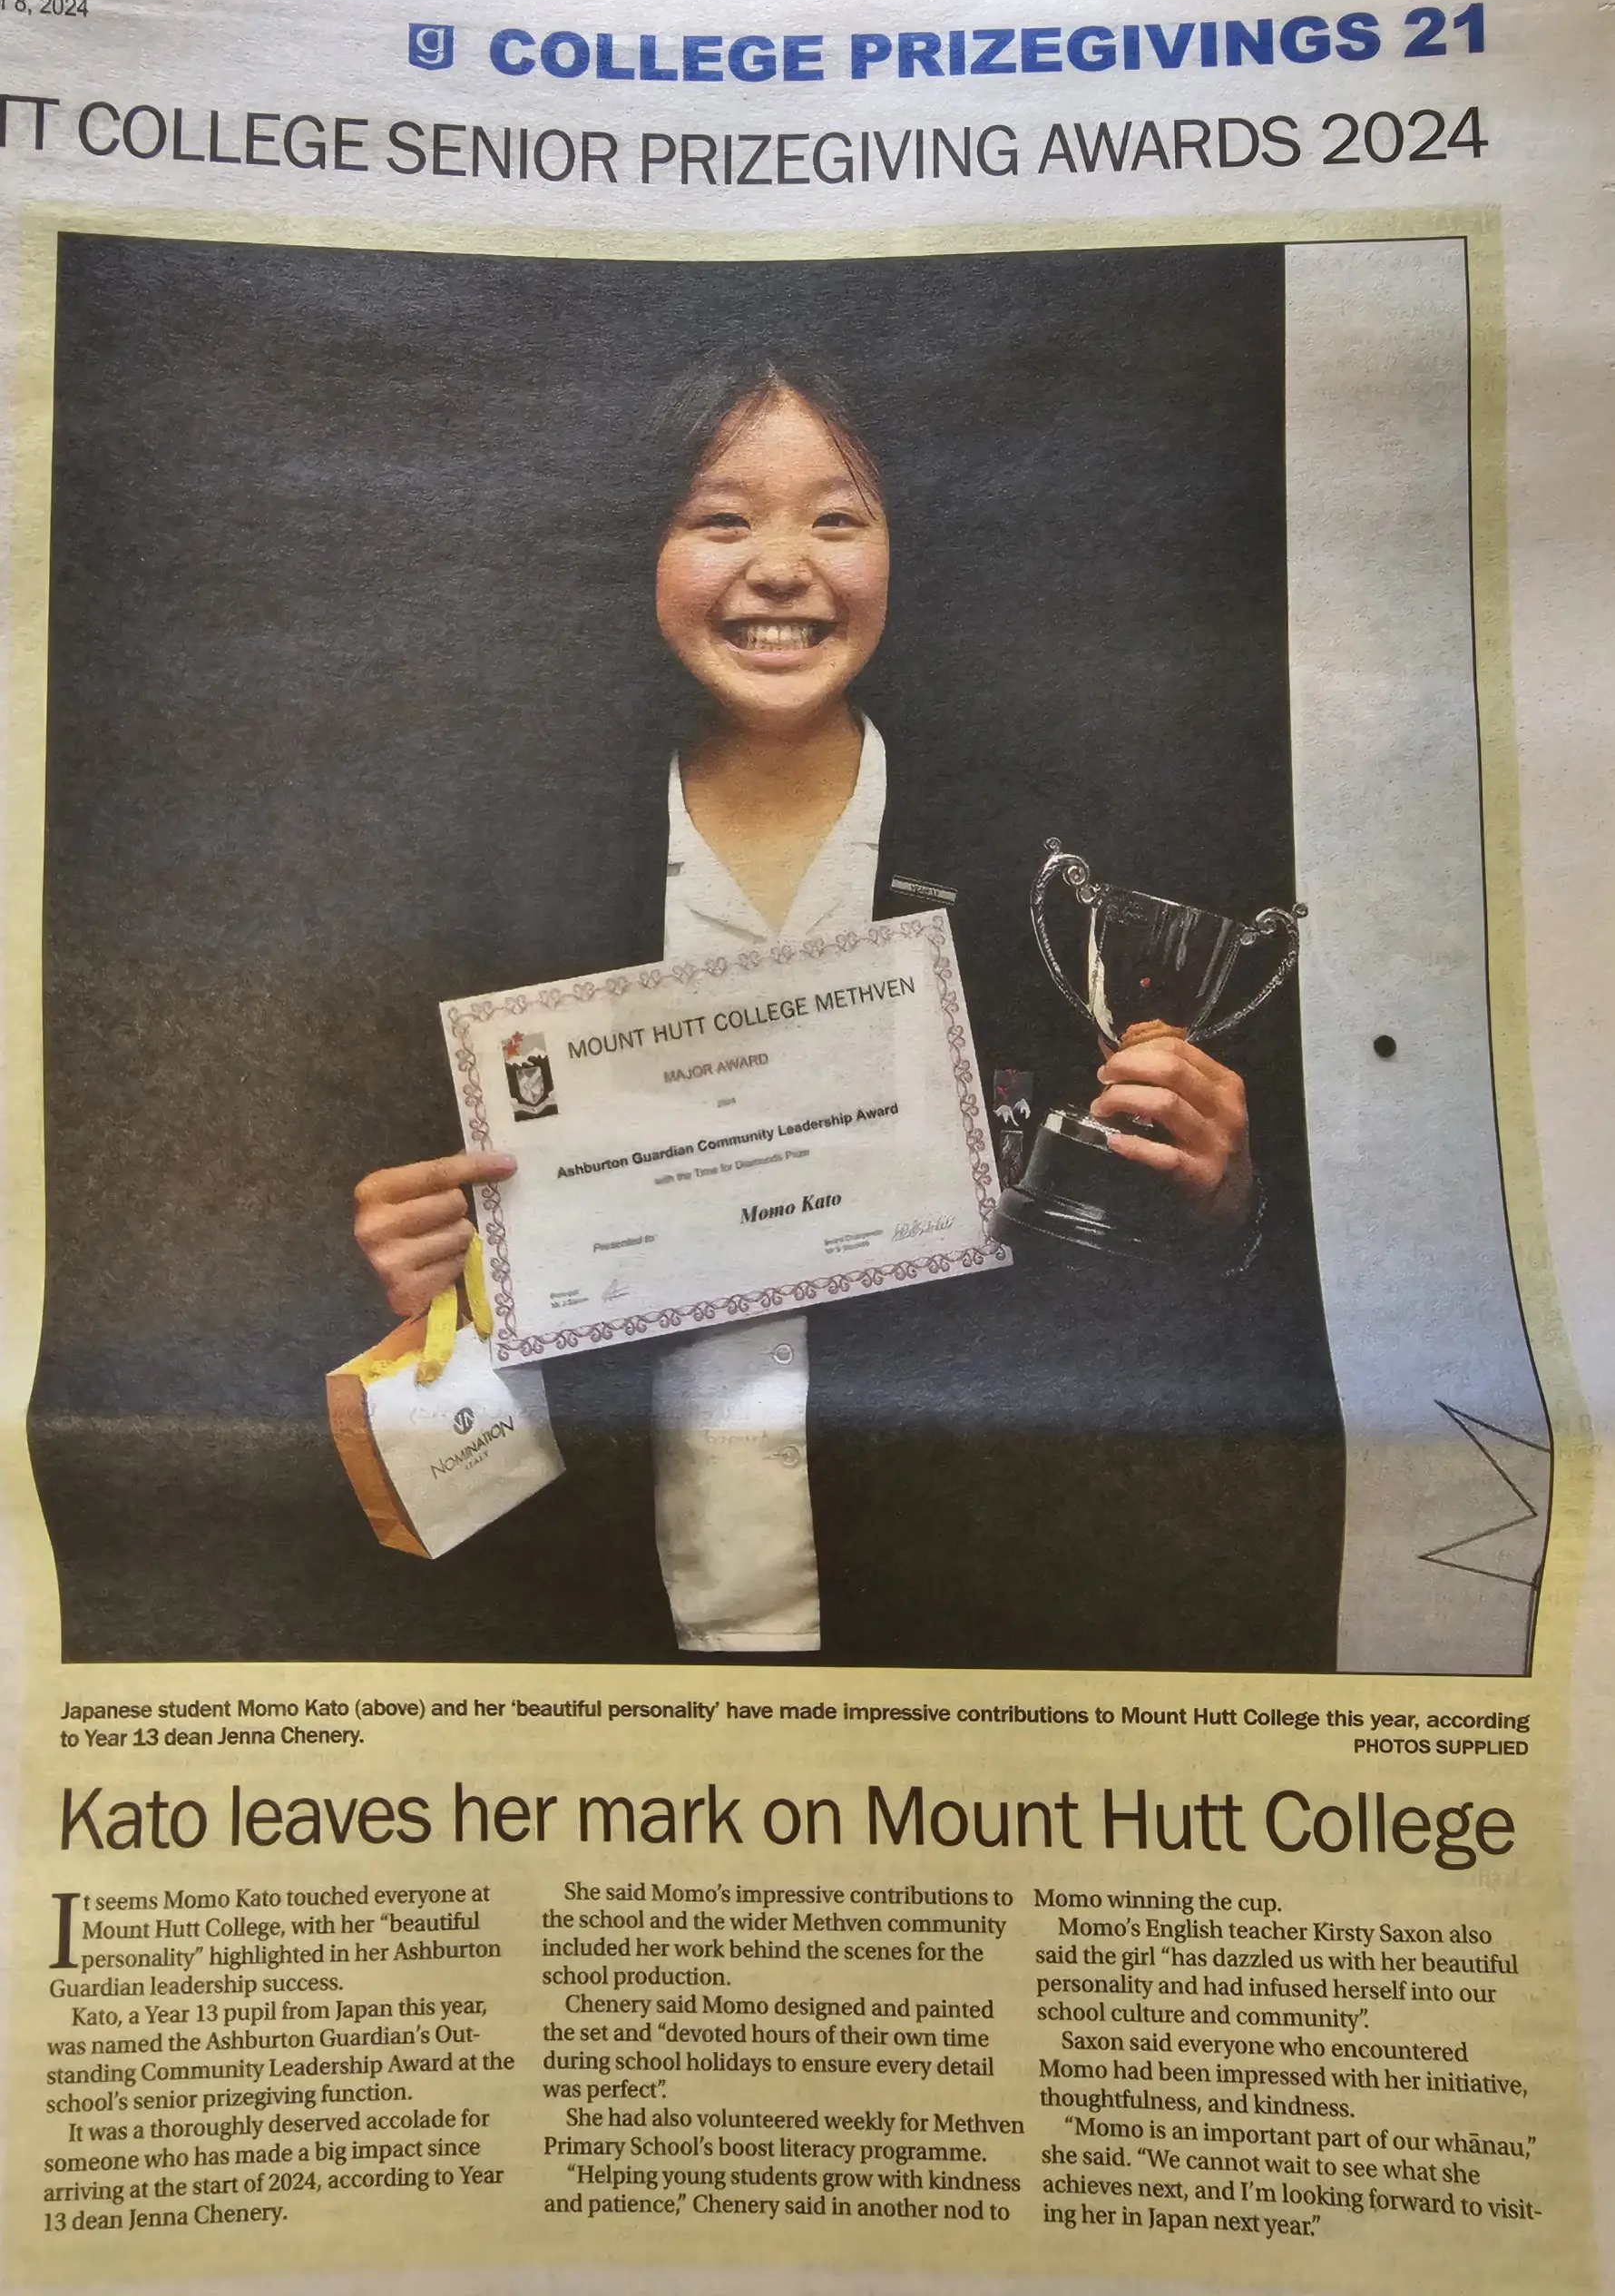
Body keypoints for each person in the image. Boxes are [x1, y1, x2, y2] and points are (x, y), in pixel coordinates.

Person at [350, 357, 1342, 1670]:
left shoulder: (1045, 880)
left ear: (900, 548)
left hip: (962, 1615)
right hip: (601, 1616)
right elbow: (428, 1260)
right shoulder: (510, 879)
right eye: (720, 519)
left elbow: (1179, 1297)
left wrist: (1224, 1201)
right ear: (643, 550)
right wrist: (410, 1262)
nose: (781, 568)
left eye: (837, 518)